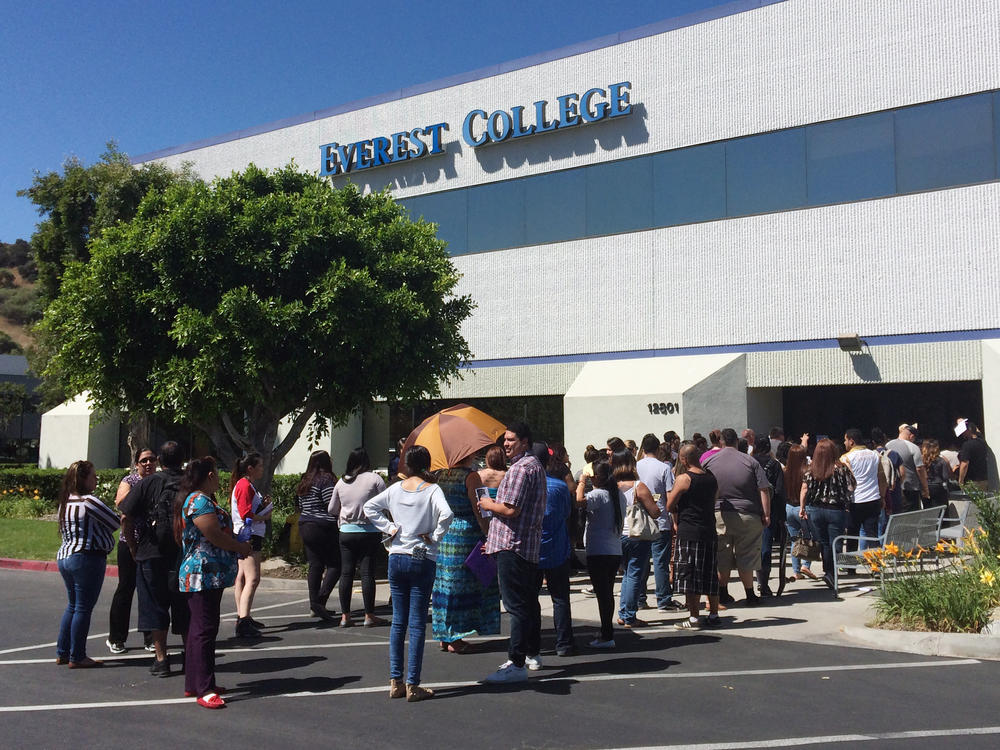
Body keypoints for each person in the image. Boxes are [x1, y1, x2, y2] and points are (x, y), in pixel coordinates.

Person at [364, 446, 454, 702]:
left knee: (398, 621)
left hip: (397, 556)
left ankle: (396, 681)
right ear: (427, 463)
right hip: (422, 556)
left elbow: (370, 507)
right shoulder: (432, 489)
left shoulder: (395, 488)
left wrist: (390, 528)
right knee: (416, 624)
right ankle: (413, 684)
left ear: (406, 463)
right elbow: (447, 514)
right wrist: (435, 536)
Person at [174, 457, 252, 709]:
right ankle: (204, 689)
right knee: (204, 630)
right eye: (217, 473)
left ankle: (195, 682)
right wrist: (239, 546)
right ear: (208, 475)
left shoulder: (202, 500)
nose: (219, 477)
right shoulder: (199, 501)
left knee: (202, 629)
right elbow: (213, 534)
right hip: (201, 574)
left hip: (210, 574)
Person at [479, 422, 547, 684]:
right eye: (504, 440)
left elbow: (510, 510)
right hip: (525, 545)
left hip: (513, 545)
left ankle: (516, 662)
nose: (506, 444)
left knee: (516, 606)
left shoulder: (521, 469)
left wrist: (487, 503)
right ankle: (531, 653)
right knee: (528, 603)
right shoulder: (534, 466)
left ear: (525, 442)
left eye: (511, 440)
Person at [119, 440, 190, 677]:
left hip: (152, 551)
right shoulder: (191, 483)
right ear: (182, 459)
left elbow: (125, 515)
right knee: (186, 606)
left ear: (160, 460)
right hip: (184, 553)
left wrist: (133, 547)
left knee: (154, 606)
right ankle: (190, 655)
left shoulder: (148, 483)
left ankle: (161, 659)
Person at [432, 449, 499, 653]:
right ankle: (455, 637)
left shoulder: (440, 476)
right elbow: (480, 508)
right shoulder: (471, 477)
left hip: (445, 534)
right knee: (464, 586)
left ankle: (444, 634)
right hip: (466, 535)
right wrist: (489, 534)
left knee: (445, 584)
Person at [56, 460, 119, 668]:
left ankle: (63, 652)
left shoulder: (66, 503)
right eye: (92, 475)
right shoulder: (89, 501)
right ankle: (77, 655)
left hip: (66, 555)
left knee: (73, 605)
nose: (96, 478)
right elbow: (114, 522)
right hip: (86, 557)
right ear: (83, 479)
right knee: (83, 607)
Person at [703, 428, 771, 606]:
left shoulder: (709, 461)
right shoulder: (750, 461)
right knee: (747, 555)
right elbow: (763, 489)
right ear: (737, 442)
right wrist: (766, 514)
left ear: (721, 441)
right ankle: (750, 595)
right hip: (747, 514)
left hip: (718, 514)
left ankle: (722, 593)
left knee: (722, 555)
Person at [106, 447, 157, 655]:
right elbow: (121, 503)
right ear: (136, 464)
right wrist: (142, 495)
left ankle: (151, 638)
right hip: (129, 543)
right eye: (143, 461)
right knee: (126, 589)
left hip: (151, 543)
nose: (148, 464)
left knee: (151, 592)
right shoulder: (130, 481)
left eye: (152, 460)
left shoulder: (159, 481)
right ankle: (116, 638)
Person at [329, 447, 388, 628]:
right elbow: (386, 504)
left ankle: (345, 616)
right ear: (365, 462)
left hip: (346, 531)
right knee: (367, 573)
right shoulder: (375, 479)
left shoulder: (341, 482)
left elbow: (332, 509)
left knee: (346, 573)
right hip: (369, 531)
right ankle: (369, 615)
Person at [667, 445, 721, 630]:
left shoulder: (684, 478)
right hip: (709, 529)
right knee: (710, 573)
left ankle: (694, 618)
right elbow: (714, 499)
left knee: (690, 575)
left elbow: (669, 505)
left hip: (689, 531)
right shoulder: (711, 477)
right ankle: (714, 614)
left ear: (683, 459)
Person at [535, 444, 576, 656]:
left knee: (531, 599)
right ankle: (564, 643)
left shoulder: (525, 485)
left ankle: (533, 645)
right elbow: (567, 513)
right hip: (557, 547)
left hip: (532, 549)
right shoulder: (560, 487)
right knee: (560, 598)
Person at [613, 449, 661, 628]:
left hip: (619, 534)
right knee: (634, 575)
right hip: (637, 534)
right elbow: (655, 512)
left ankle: (624, 612)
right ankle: (629, 615)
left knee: (626, 574)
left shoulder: (612, 486)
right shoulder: (638, 486)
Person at [578, 460, 624, 648]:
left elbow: (579, 501)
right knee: (607, 593)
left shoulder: (598, 495)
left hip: (598, 551)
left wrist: (581, 482)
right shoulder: (617, 494)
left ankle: (607, 635)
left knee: (603, 594)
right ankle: (607, 631)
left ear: (597, 477)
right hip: (613, 550)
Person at [800, 438, 856, 590]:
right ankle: (832, 573)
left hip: (816, 509)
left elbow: (805, 489)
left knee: (824, 542)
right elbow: (852, 486)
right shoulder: (841, 468)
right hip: (836, 509)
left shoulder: (812, 469)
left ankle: (828, 571)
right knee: (836, 542)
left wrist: (802, 507)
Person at [636, 433, 681, 611]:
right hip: (660, 520)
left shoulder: (635, 467)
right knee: (661, 562)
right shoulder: (663, 468)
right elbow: (670, 497)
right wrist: (674, 518)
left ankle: (640, 598)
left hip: (639, 520)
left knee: (641, 562)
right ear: (657, 448)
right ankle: (663, 598)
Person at [230, 452, 273, 637]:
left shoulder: (246, 485)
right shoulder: (245, 485)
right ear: (250, 468)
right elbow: (246, 513)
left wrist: (261, 506)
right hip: (249, 534)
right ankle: (243, 620)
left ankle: (243, 615)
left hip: (246, 533)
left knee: (242, 576)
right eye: (260, 466)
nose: (262, 469)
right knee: (253, 578)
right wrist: (264, 516)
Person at [296, 449, 340, 621]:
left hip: (305, 524)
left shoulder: (304, 480)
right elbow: (331, 505)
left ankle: (314, 605)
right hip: (323, 526)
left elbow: (300, 503)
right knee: (336, 564)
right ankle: (320, 602)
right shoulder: (327, 480)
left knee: (315, 565)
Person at [753, 436, 785, 596]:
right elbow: (779, 491)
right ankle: (763, 584)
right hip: (769, 511)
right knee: (765, 547)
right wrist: (780, 515)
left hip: (750, 510)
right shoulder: (775, 465)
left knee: (750, 548)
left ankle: (753, 583)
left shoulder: (749, 462)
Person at [782, 444, 816, 581]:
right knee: (809, 538)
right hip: (803, 507)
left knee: (795, 540)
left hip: (788, 507)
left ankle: (796, 571)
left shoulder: (785, 471)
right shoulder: (807, 471)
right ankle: (806, 564)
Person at [885, 424, 929, 512]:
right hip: (910, 488)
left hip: (892, 487)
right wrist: (925, 488)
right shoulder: (913, 447)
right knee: (911, 516)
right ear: (911, 436)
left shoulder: (887, 445)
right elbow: (919, 469)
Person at [956, 420, 991, 491]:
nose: (963, 434)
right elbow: (977, 431)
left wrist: (961, 480)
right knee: (982, 501)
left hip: (972, 482)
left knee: (970, 501)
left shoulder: (967, 445)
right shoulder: (982, 442)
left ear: (968, 430)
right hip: (984, 480)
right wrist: (966, 422)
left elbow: (965, 464)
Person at [921, 439, 951, 508]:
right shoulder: (941, 461)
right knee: (941, 509)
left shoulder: (921, 460)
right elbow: (945, 476)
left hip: (925, 486)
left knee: (927, 509)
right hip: (938, 486)